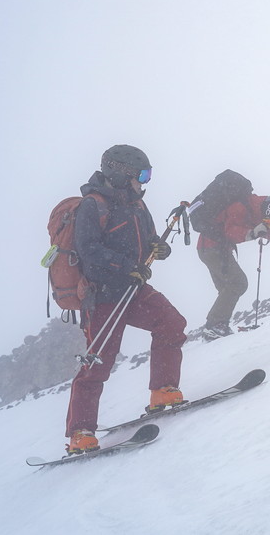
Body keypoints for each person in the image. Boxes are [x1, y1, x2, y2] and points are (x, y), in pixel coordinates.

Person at [64, 144, 188, 455]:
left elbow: (148, 242)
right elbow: (89, 251)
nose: (143, 182)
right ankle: (80, 433)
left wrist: (159, 248)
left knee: (171, 323)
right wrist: (126, 266)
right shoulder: (92, 206)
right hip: (102, 296)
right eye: (141, 175)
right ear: (120, 173)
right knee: (98, 364)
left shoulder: (137, 206)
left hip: (133, 289)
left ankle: (162, 391)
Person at [195, 186, 270, 339]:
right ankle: (214, 325)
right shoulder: (241, 207)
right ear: (267, 210)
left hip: (212, 248)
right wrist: (252, 233)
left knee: (226, 288)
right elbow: (230, 232)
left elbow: (265, 232)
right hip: (212, 248)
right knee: (238, 283)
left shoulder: (258, 211)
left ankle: (218, 327)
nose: (269, 224)